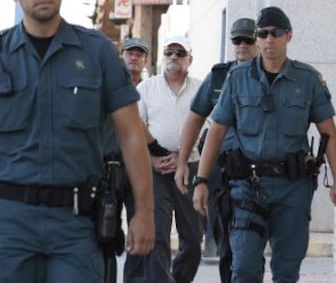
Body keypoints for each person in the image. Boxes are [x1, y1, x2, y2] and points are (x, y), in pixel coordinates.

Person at [0, 0, 155, 282]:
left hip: (77, 226)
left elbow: (131, 134)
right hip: (12, 223)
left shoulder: (97, 53)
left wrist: (145, 213)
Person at [193, 6, 336, 283]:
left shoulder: (307, 79)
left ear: (288, 35)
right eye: (262, 34)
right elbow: (216, 131)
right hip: (247, 186)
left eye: (275, 33)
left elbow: (330, 133)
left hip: (293, 188)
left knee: (286, 271)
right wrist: (201, 180)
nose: (268, 40)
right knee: (242, 267)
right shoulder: (238, 78)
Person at [174, 17, 258, 283]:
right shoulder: (220, 75)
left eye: (248, 39)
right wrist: (183, 162)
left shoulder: (269, 74)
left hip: (261, 173)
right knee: (228, 247)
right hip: (224, 174)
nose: (242, 45)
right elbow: (195, 119)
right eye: (237, 40)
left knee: (252, 249)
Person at [136, 35, 204, 283]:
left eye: (180, 52)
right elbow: (135, 128)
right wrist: (152, 160)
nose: (174, 57)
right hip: (156, 169)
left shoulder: (201, 88)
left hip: (191, 168)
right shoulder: (146, 88)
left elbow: (208, 129)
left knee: (194, 240)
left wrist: (183, 158)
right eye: (169, 52)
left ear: (190, 59)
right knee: (158, 237)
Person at [102, 37, 150, 283]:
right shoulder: (106, 86)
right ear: (122, 56)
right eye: (130, 53)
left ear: (145, 60)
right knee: (106, 233)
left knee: (139, 232)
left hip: (138, 169)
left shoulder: (151, 90)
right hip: (108, 170)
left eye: (139, 54)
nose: (134, 57)